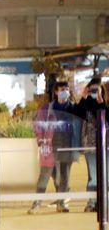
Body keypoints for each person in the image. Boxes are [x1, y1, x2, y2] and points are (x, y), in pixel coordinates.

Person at [30, 81, 80, 214]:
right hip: (50, 146)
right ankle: (36, 204)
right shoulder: (47, 109)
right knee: (44, 176)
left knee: (64, 177)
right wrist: (41, 142)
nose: (66, 91)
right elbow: (38, 126)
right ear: (56, 92)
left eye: (67, 89)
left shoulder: (74, 108)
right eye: (63, 89)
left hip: (67, 146)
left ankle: (61, 203)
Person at [73, 78, 105, 212]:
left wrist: (102, 103)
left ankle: (104, 203)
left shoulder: (105, 102)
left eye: (96, 90)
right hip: (90, 145)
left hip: (105, 144)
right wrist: (83, 97)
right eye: (91, 89)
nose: (94, 92)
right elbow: (76, 114)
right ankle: (92, 202)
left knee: (105, 174)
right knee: (93, 175)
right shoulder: (86, 103)